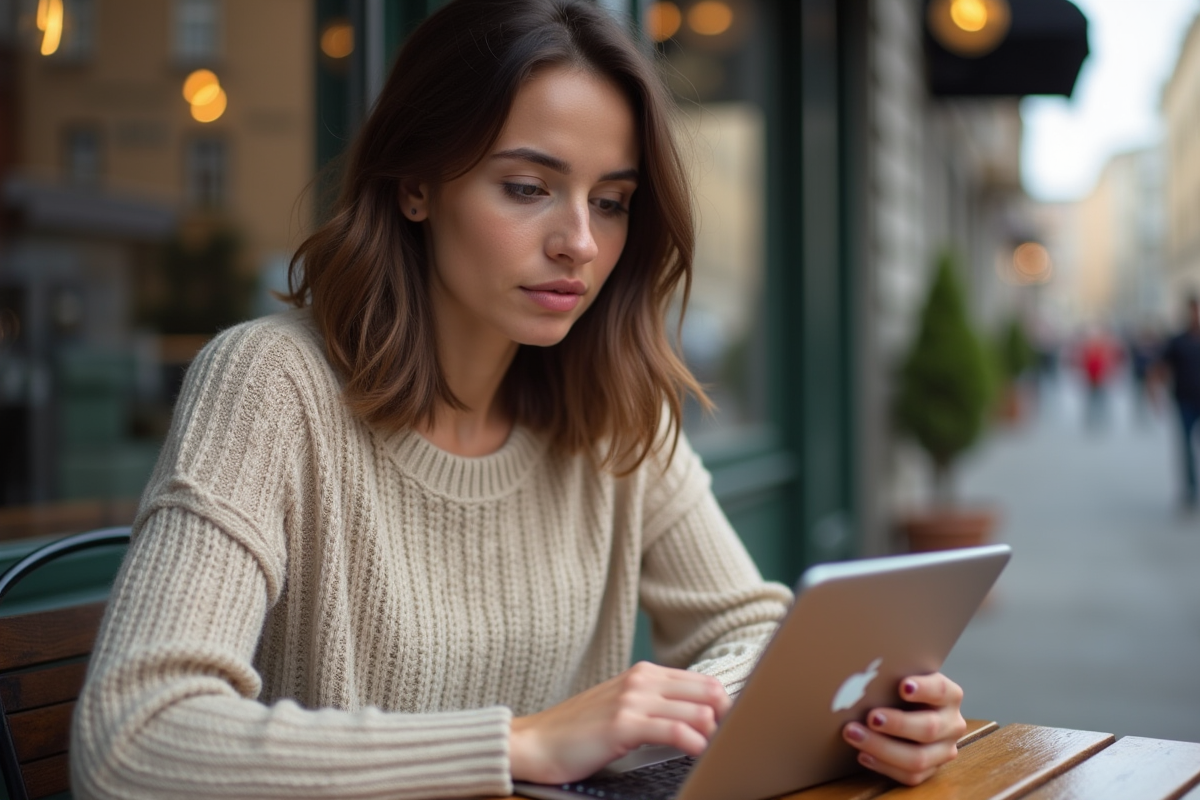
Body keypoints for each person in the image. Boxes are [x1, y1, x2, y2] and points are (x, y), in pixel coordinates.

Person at [70, 2, 967, 797]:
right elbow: (133, 740)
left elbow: (759, 631)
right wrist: (521, 743)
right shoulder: (271, 386)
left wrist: (866, 718)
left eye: (611, 202)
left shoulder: (615, 407)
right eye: (529, 188)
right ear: (415, 185)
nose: (579, 241)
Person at [1158, 296, 1200, 509]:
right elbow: (1162, 367)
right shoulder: (1178, 341)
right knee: (1186, 448)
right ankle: (1190, 490)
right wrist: (1154, 393)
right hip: (1185, 400)